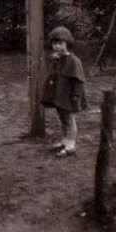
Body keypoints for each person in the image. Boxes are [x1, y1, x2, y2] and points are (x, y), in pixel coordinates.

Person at [40, 25, 87, 156]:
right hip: (59, 94)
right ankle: (65, 141)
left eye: (60, 43)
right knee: (62, 118)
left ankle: (71, 144)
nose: (57, 47)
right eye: (55, 43)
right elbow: (53, 74)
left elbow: (78, 80)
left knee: (70, 119)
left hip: (70, 96)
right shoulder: (57, 59)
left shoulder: (73, 61)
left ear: (67, 43)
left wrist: (76, 96)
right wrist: (54, 61)